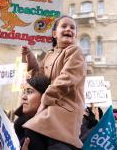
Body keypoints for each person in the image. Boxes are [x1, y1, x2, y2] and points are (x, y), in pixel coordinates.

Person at [21, 15, 87, 149]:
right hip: (49, 108)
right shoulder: (49, 54)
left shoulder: (75, 51)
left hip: (65, 110)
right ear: (54, 34)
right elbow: (38, 78)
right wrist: (29, 55)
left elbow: (66, 79)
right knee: (22, 125)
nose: (69, 29)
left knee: (33, 130)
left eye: (72, 27)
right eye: (64, 26)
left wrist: (45, 101)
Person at [14, 74, 50, 149]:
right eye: (24, 92)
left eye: (30, 92)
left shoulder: (53, 132)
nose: (23, 97)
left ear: (44, 97)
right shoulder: (20, 125)